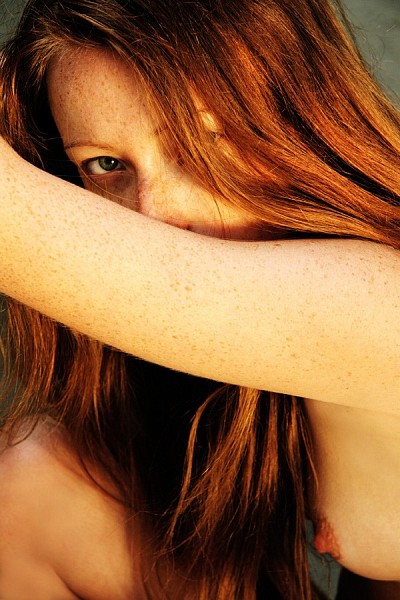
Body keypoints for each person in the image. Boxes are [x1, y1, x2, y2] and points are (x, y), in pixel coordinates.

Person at [0, 0, 399, 598]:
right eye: (105, 164)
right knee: (30, 479)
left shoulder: (379, 298)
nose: (153, 215)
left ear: (299, 115)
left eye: (203, 140)